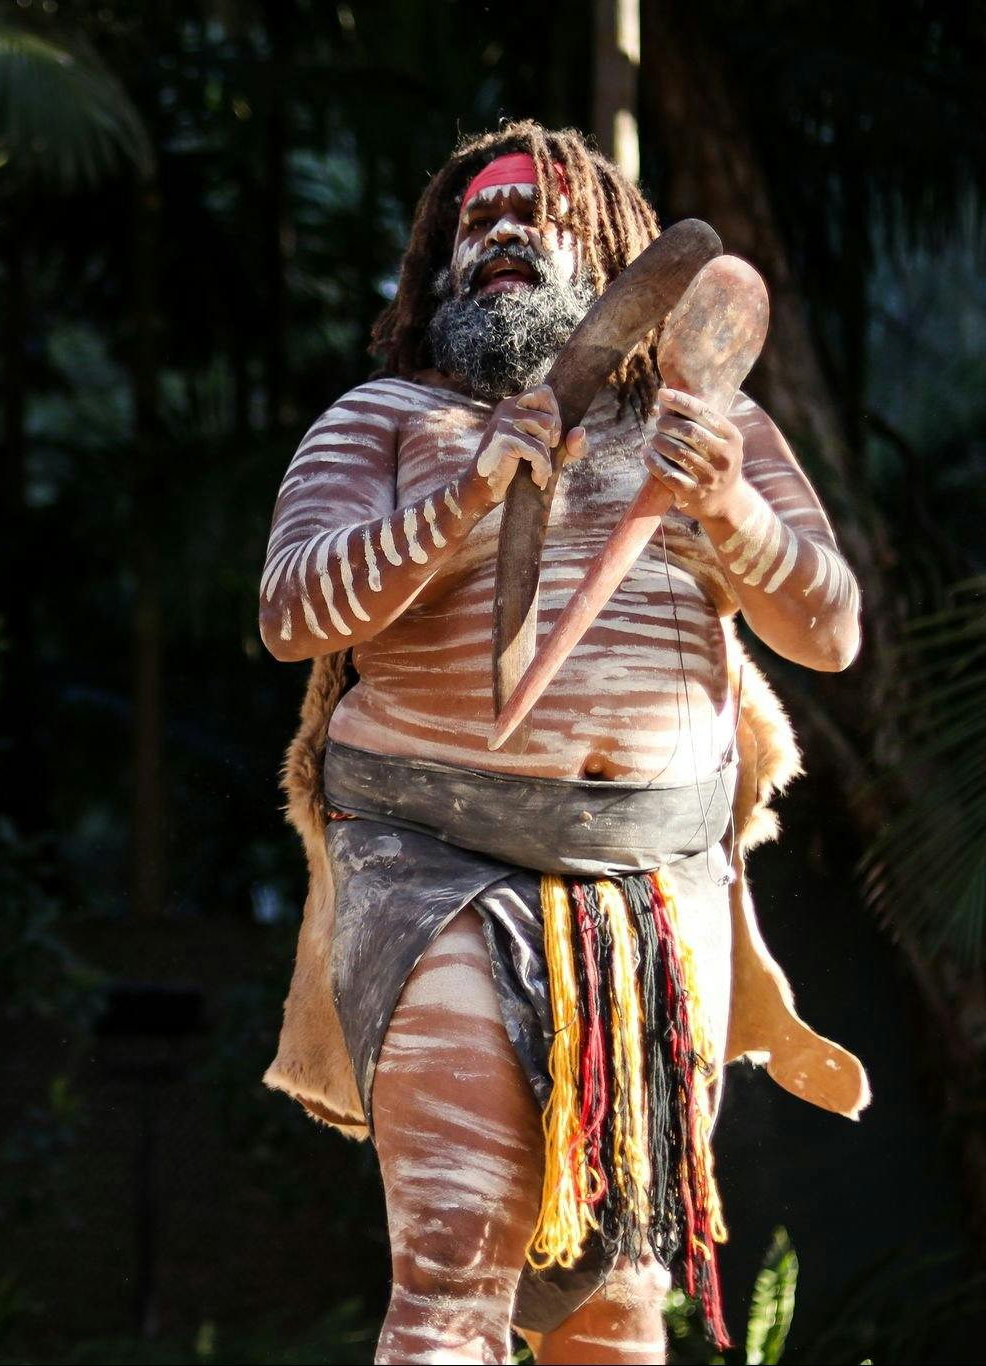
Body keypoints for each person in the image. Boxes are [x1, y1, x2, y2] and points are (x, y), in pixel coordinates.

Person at [257, 121, 868, 1365]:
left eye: (534, 213)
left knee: (618, 1301)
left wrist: (731, 511)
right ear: (434, 265)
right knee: (450, 1270)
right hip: (436, 873)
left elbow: (831, 629)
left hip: (655, 897)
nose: (500, 234)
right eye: (473, 219)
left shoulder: (713, 427)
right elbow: (290, 615)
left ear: (606, 250)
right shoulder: (383, 418)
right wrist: (469, 488)